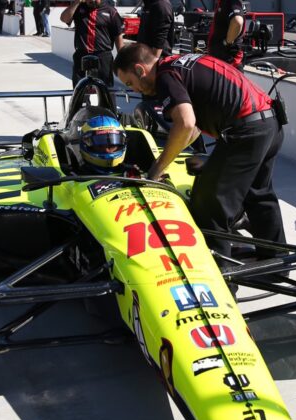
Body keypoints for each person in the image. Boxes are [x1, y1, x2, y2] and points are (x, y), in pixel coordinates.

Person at [113, 44, 286, 259]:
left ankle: (223, 281)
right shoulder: (179, 64)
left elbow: (185, 124)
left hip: (247, 130)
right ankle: (277, 261)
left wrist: (156, 169)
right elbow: (192, 131)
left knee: (208, 203)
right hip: (270, 122)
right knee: (258, 194)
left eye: (130, 82)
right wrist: (171, 156)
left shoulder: (166, 76)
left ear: (140, 69)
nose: (134, 89)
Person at [60, 0, 124, 89]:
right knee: (80, 90)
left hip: (103, 57)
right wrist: (76, 2)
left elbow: (118, 37)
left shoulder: (111, 11)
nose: (91, 1)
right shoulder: (78, 8)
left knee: (107, 91)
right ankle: (83, 103)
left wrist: (122, 59)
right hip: (82, 55)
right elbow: (64, 19)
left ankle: (107, 103)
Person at [207, 0, 245, 70]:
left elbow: (237, 22)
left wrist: (227, 42)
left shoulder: (230, 2)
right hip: (221, 61)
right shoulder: (222, 3)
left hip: (228, 63)